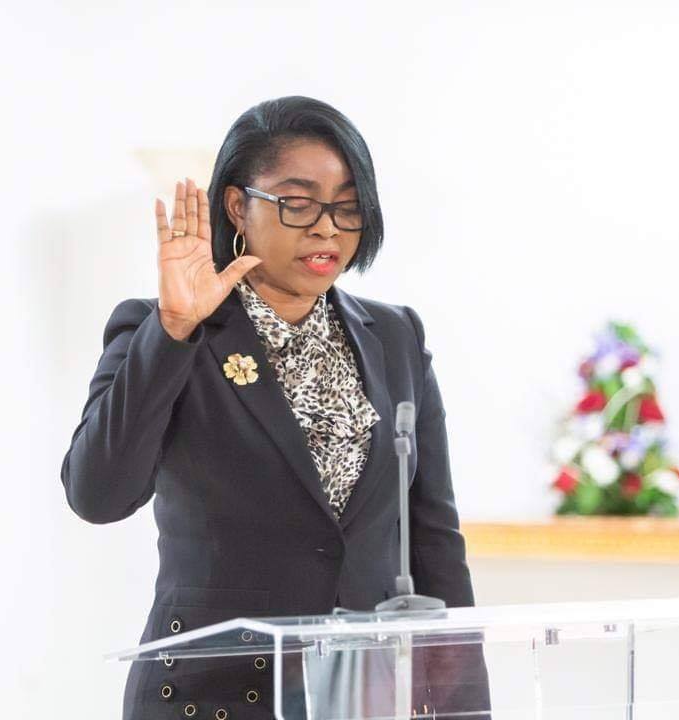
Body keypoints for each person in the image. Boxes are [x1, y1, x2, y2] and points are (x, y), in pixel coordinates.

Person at [60, 96, 487, 719]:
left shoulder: (396, 337)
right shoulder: (171, 330)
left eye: (347, 206)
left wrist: (465, 707)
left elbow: (435, 540)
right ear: (238, 206)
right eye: (298, 203)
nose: (327, 228)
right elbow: (97, 495)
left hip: (360, 698)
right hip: (212, 695)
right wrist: (173, 331)